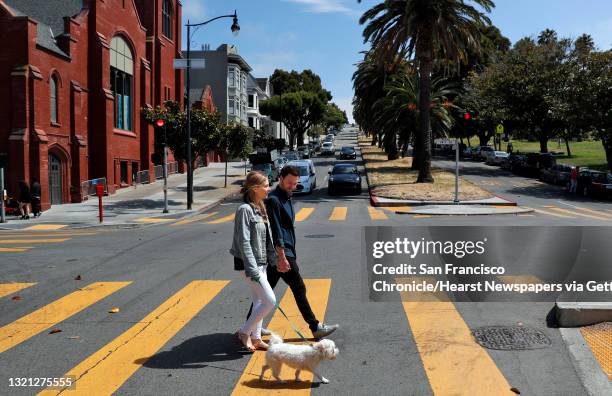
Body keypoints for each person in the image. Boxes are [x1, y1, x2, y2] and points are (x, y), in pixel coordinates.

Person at [247, 165, 339, 339]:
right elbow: (276, 230)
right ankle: (315, 326)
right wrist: (282, 256)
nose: (292, 186)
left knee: (264, 292)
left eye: (295, 184)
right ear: (280, 179)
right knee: (298, 287)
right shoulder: (274, 200)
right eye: (289, 183)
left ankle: (250, 325)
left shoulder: (286, 197)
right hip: (281, 252)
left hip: (282, 252)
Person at [230, 171, 277, 352]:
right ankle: (245, 332)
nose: (268, 189)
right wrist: (253, 269)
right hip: (249, 264)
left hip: (261, 261)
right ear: (255, 188)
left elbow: (266, 239)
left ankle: (256, 338)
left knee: (259, 301)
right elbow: (244, 242)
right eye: (265, 186)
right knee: (270, 301)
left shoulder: (260, 208)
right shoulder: (245, 210)